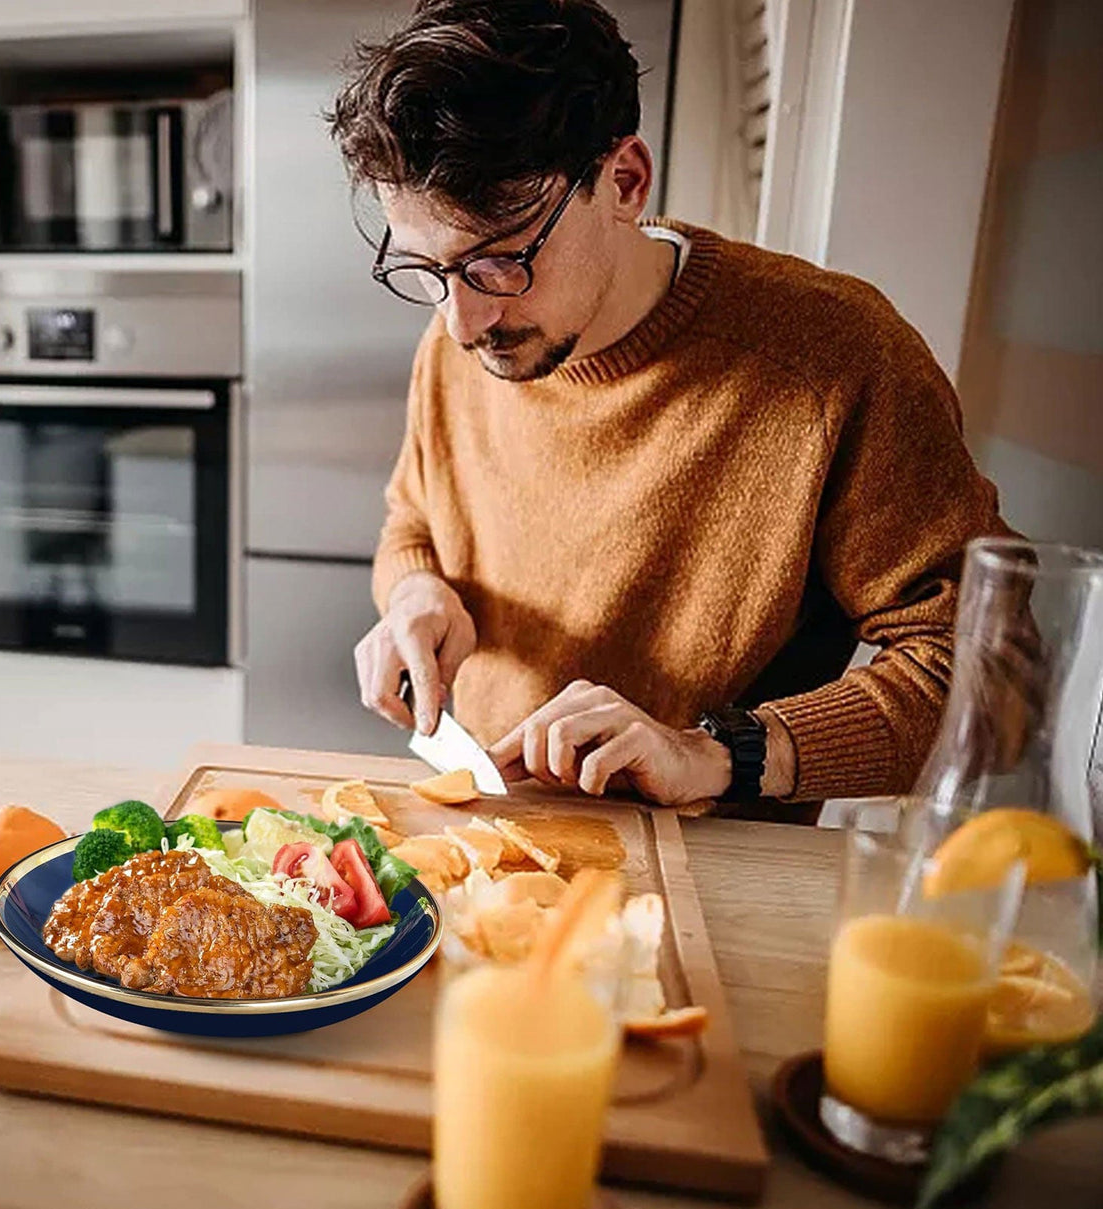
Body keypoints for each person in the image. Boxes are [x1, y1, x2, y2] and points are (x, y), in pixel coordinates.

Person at [329, 0, 1007, 820]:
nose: (461, 323)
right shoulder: (461, 337)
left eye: (501, 261)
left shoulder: (835, 359)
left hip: (703, 867)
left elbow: (991, 678)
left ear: (624, 181)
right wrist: (417, 593)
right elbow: (413, 519)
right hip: (487, 832)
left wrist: (718, 752)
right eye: (425, 270)